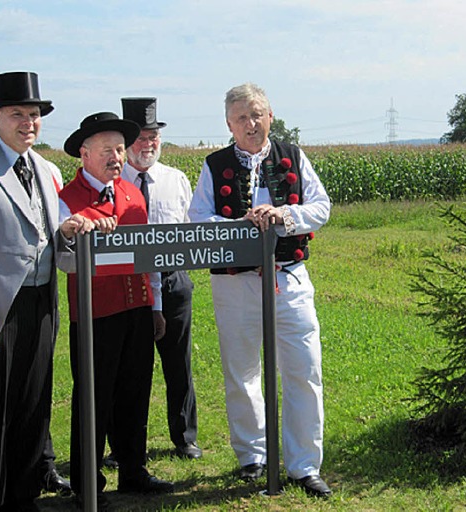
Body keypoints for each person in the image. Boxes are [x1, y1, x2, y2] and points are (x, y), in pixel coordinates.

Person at [0, 71, 92, 512]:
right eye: (17, 114)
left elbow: (44, 234)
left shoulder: (44, 169)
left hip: (41, 304)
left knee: (32, 409)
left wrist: (65, 230)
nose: (28, 122)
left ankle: (23, 500)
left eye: (34, 114)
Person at [188, 83, 332, 497]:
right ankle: (252, 456)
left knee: (304, 369)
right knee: (242, 371)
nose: (250, 124)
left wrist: (284, 214)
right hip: (234, 282)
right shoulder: (214, 165)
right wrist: (239, 227)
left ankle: (304, 464)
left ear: (270, 115)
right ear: (229, 124)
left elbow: (321, 207)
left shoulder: (293, 156)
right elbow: (197, 219)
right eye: (241, 118)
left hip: (289, 275)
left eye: (257, 115)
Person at [58, 112, 174, 504]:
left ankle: (132, 470)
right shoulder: (67, 199)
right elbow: (61, 256)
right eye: (107, 150)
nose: (117, 157)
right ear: (85, 154)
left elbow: (148, 254)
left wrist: (154, 304)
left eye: (121, 149)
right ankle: (87, 482)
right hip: (95, 314)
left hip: (137, 307)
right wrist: (75, 230)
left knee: (135, 391)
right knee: (94, 397)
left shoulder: (132, 193)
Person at [119, 97, 201, 460]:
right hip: (129, 284)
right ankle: (123, 444)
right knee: (129, 369)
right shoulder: (114, 180)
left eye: (152, 136)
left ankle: (184, 436)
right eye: (139, 137)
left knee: (178, 363)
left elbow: (189, 230)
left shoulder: (176, 180)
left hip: (173, 281)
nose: (147, 144)